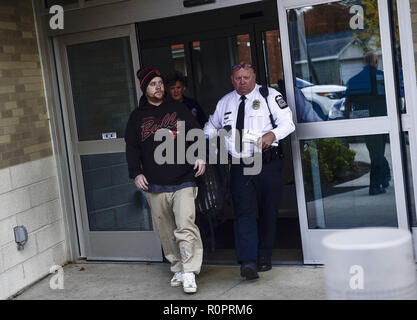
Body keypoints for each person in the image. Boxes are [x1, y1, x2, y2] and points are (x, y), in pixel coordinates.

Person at [203, 61, 295, 280]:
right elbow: (210, 125)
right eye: (237, 78)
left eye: (246, 77)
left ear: (254, 77)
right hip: (239, 164)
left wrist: (272, 135)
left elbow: (287, 123)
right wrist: (209, 140)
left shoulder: (269, 96)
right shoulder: (225, 102)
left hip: (267, 162)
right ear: (231, 79)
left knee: (267, 210)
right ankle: (248, 261)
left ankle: (264, 255)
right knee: (243, 212)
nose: (242, 82)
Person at [124, 67, 206, 293]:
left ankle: (189, 271)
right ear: (145, 88)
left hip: (184, 179)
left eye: (160, 83)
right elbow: (132, 148)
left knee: (186, 225)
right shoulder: (137, 117)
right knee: (165, 230)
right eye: (153, 84)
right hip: (155, 183)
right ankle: (178, 267)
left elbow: (196, 132)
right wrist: (136, 173)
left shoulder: (178, 108)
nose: (158, 87)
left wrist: (200, 155)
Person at [345, 52, 391, 195]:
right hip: (380, 120)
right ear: (375, 62)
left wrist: (348, 122)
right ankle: (375, 185)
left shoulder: (353, 81)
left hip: (363, 121)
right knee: (378, 154)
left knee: (375, 153)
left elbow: (347, 104)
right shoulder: (381, 77)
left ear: (364, 62)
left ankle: (384, 178)